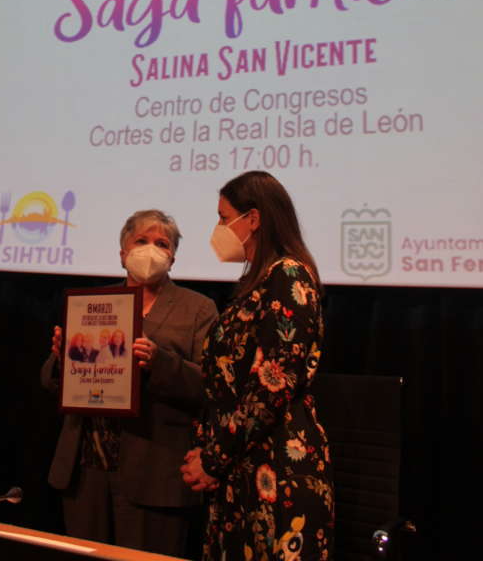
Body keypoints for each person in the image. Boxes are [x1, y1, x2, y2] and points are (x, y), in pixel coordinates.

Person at [41, 209, 218, 555]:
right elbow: (50, 382)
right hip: (85, 470)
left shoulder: (198, 308)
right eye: (141, 241)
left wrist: (159, 361)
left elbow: (211, 386)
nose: (151, 249)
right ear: (122, 253)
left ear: (173, 258)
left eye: (162, 244)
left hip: (154, 473)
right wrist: (62, 360)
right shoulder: (91, 304)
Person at [181, 171, 333, 561]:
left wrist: (213, 458)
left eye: (223, 217)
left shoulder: (288, 274)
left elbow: (272, 383)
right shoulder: (259, 280)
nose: (218, 228)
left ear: (253, 219)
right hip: (242, 467)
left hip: (276, 469)